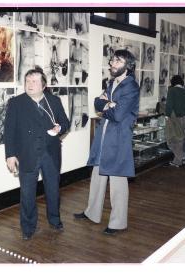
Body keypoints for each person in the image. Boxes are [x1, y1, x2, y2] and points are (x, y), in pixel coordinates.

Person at [74, 49, 139, 235]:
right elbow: (96, 102)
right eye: (112, 60)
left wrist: (107, 105)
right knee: (97, 176)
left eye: (117, 61)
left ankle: (118, 223)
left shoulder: (131, 86)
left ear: (128, 65)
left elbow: (118, 114)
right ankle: (92, 212)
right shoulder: (112, 83)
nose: (112, 64)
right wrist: (107, 104)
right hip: (104, 135)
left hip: (118, 139)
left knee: (118, 181)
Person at [4, 67, 69, 240]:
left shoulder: (54, 101)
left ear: (43, 85)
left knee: (53, 190)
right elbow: (8, 131)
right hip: (27, 155)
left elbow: (65, 122)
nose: (30, 84)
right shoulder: (16, 103)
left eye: (34, 81)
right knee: (27, 193)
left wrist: (59, 128)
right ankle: (28, 228)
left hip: (51, 154)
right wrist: (10, 155)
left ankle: (55, 221)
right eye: (27, 81)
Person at [165, 75, 185, 167]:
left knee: (171, 139)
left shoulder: (171, 91)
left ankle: (180, 157)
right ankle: (178, 161)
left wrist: (167, 115)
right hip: (184, 118)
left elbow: (169, 105)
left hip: (174, 118)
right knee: (180, 140)